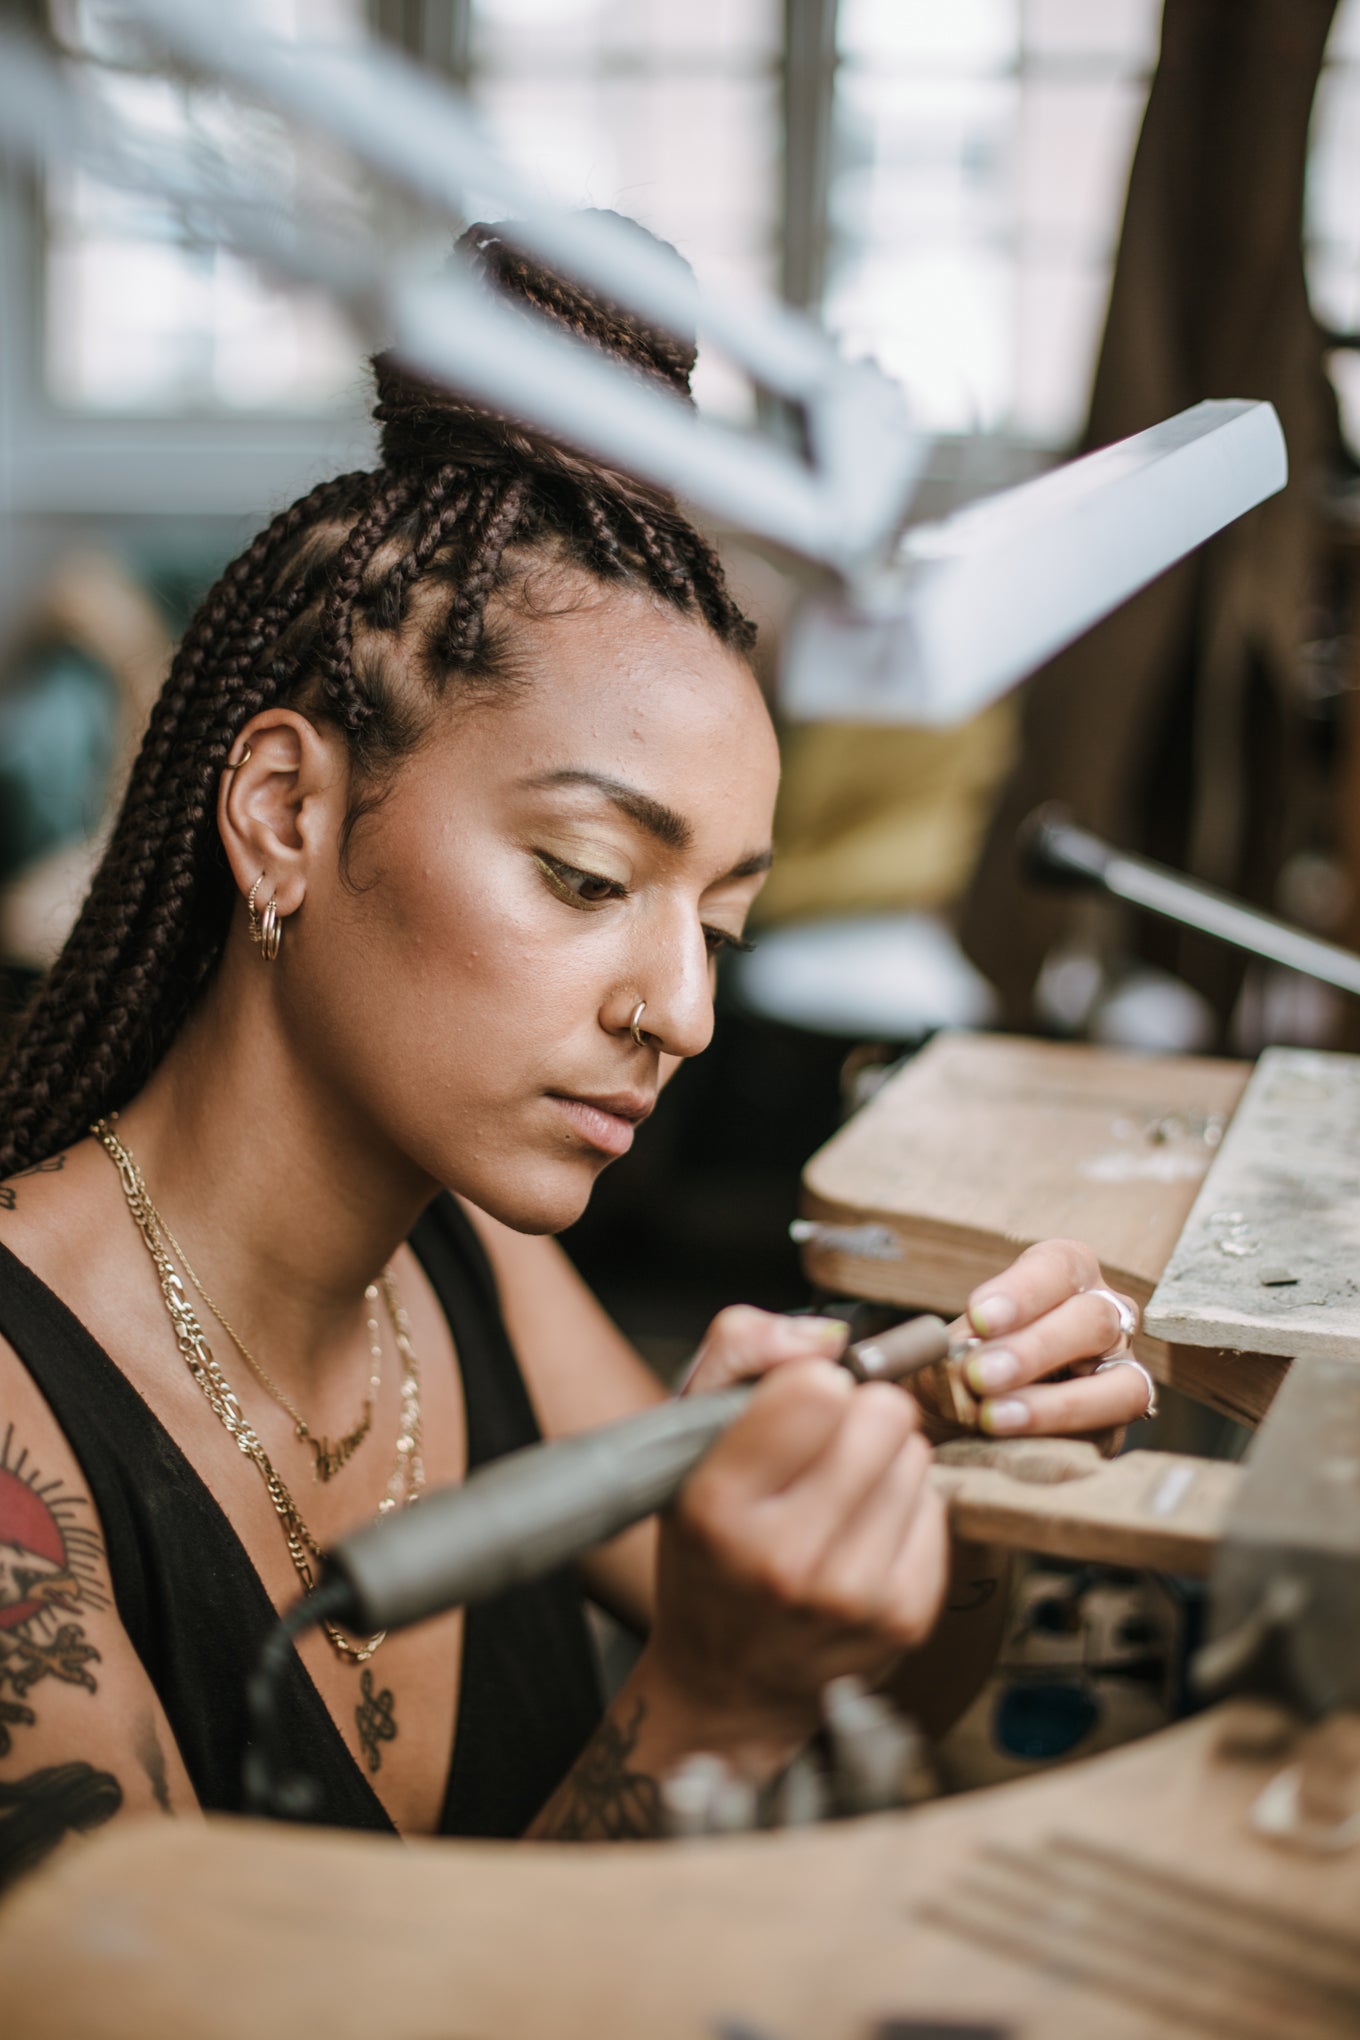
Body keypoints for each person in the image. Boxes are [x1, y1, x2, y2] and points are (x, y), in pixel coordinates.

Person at [0, 222, 1152, 1884]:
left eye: (720, 928)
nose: (680, 1012)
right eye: (590, 879)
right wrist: (698, 1715)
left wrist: (940, 1489)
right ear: (285, 815)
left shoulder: (463, 1268)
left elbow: (877, 1668)